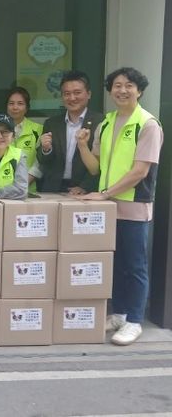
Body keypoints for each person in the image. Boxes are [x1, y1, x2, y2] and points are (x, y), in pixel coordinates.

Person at [76, 67, 163, 346]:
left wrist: (105, 194)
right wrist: (82, 146)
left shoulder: (147, 124)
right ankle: (120, 313)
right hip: (108, 206)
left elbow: (140, 171)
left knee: (135, 265)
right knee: (115, 263)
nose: (122, 90)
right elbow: (96, 167)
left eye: (128, 86)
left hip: (134, 205)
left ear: (140, 90)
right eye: (117, 85)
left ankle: (134, 320)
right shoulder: (106, 122)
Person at [36, 70, 104, 194]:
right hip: (53, 189)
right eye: (67, 94)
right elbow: (43, 161)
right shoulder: (52, 123)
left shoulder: (101, 122)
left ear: (88, 94)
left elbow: (103, 162)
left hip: (85, 190)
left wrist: (85, 187)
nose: (72, 98)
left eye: (77, 93)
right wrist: (45, 149)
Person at [5, 87, 43, 191]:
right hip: (3, 189)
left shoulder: (38, 130)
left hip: (29, 189)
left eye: (20, 103)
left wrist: (24, 183)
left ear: (27, 107)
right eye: (11, 103)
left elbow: (40, 162)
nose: (15, 107)